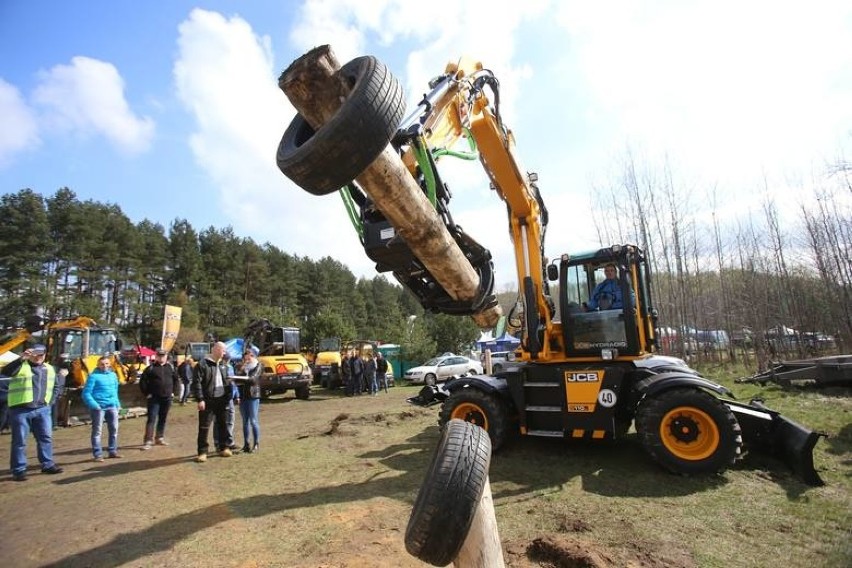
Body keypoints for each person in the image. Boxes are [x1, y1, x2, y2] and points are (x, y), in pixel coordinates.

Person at [2, 344, 63, 481]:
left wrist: (50, 402)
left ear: (45, 355)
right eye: (35, 354)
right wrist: (20, 359)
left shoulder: (50, 368)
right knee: (19, 441)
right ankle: (19, 470)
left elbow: (56, 386)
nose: (37, 357)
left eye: (40, 355)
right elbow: (6, 372)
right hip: (20, 409)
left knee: (45, 438)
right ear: (30, 354)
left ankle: (47, 464)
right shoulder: (20, 366)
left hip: (42, 409)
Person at [192, 341, 234, 462]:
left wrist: (229, 395)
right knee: (204, 427)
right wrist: (200, 399)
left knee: (223, 425)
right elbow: (197, 383)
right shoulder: (202, 364)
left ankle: (224, 447)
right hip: (208, 400)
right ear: (216, 349)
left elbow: (227, 381)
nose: (224, 353)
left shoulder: (224, 365)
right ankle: (202, 452)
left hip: (222, 400)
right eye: (223, 350)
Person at [81, 355, 122, 461]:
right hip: (99, 408)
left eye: (107, 363)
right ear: (98, 365)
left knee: (114, 429)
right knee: (97, 431)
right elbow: (86, 393)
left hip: (112, 406)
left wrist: (117, 404)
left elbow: (115, 391)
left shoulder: (113, 375)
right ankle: (98, 454)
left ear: (110, 364)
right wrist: (95, 405)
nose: (105, 366)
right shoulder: (93, 377)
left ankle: (112, 451)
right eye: (102, 364)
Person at [139, 347, 179, 450]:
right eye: (159, 356)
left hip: (167, 398)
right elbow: (143, 382)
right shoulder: (150, 369)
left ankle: (159, 437)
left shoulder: (170, 368)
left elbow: (176, 381)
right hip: (154, 399)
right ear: (156, 356)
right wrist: (147, 393)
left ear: (166, 357)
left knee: (163, 418)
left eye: (163, 356)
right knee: (151, 419)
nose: (161, 358)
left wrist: (174, 392)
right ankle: (148, 440)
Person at [237, 350, 263, 453]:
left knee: (253, 420)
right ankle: (246, 444)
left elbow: (253, 379)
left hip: (253, 395)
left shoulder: (258, 365)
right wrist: (242, 370)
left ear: (253, 356)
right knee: (245, 421)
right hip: (243, 396)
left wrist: (243, 378)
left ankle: (256, 443)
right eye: (245, 358)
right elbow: (237, 379)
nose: (247, 360)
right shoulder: (243, 367)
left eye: (249, 358)